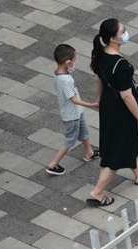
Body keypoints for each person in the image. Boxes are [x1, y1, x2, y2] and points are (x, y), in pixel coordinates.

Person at [88, 18, 138, 207]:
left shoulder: (100, 56)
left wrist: (100, 99)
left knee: (122, 143)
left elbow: (97, 80)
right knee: (116, 153)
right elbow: (127, 96)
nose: (125, 33)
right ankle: (97, 191)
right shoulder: (120, 65)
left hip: (109, 108)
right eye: (122, 31)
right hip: (121, 111)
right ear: (113, 39)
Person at [47, 44, 99, 175]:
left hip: (77, 112)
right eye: (74, 60)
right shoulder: (64, 80)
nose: (74, 62)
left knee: (85, 132)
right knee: (70, 139)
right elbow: (73, 99)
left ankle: (89, 153)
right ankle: (53, 164)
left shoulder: (59, 74)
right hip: (71, 115)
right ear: (68, 62)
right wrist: (92, 104)